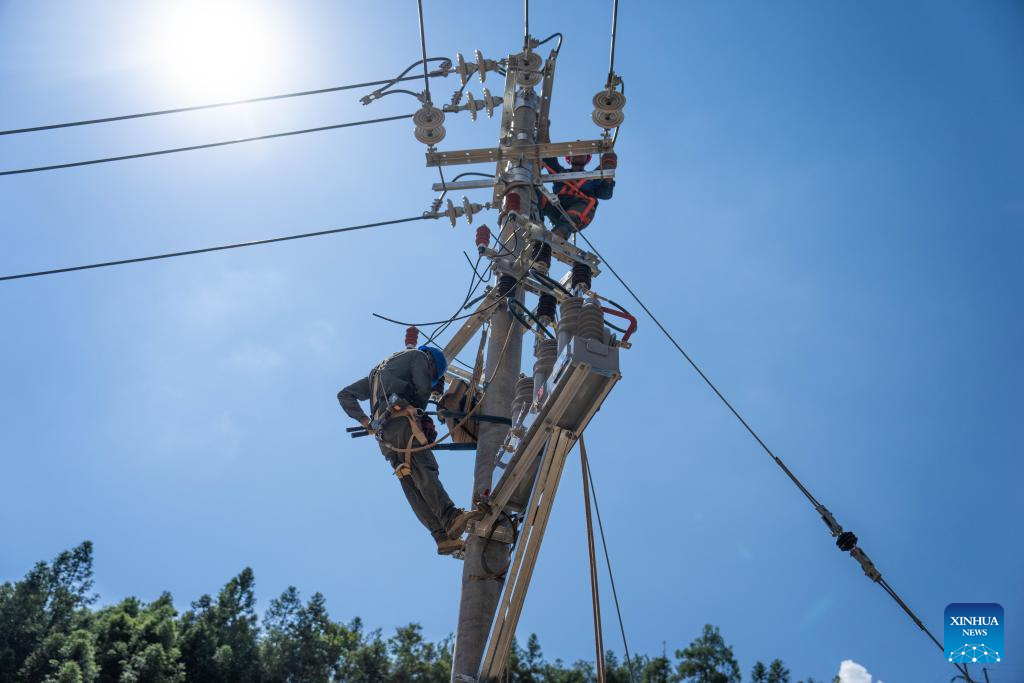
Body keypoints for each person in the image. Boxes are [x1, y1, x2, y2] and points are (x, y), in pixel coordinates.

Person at [338, 345, 477, 556]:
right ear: (431, 362)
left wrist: (366, 421)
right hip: (402, 423)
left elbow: (345, 395)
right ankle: (450, 517)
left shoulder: (375, 374)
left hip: (385, 438)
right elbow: (422, 389)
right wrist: (422, 414)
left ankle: (442, 537)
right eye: (432, 374)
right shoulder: (419, 356)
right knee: (424, 468)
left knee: (410, 480)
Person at [537, 122, 618, 239]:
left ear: (587, 159)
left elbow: (605, 194)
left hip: (580, 206)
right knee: (533, 193)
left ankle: (554, 238)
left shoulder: (593, 177)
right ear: (569, 158)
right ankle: (526, 220)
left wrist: (608, 168)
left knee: (571, 218)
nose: (579, 153)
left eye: (582, 152)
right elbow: (547, 152)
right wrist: (544, 129)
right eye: (575, 152)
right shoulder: (560, 173)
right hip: (557, 204)